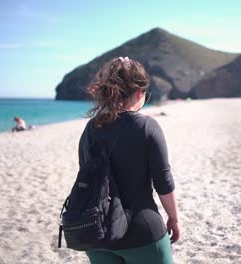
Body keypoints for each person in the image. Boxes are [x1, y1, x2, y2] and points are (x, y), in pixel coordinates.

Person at [79, 57, 180, 264]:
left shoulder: (91, 128)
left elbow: (86, 173)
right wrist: (174, 218)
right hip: (141, 231)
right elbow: (163, 182)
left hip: (98, 234)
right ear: (138, 93)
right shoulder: (147, 126)